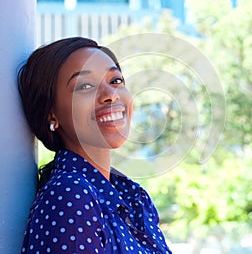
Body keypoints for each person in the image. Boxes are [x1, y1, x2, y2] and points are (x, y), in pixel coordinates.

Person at [18, 37, 172, 254]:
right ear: (51, 114)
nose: (111, 95)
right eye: (85, 86)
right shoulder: (69, 196)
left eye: (116, 81)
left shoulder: (133, 196)